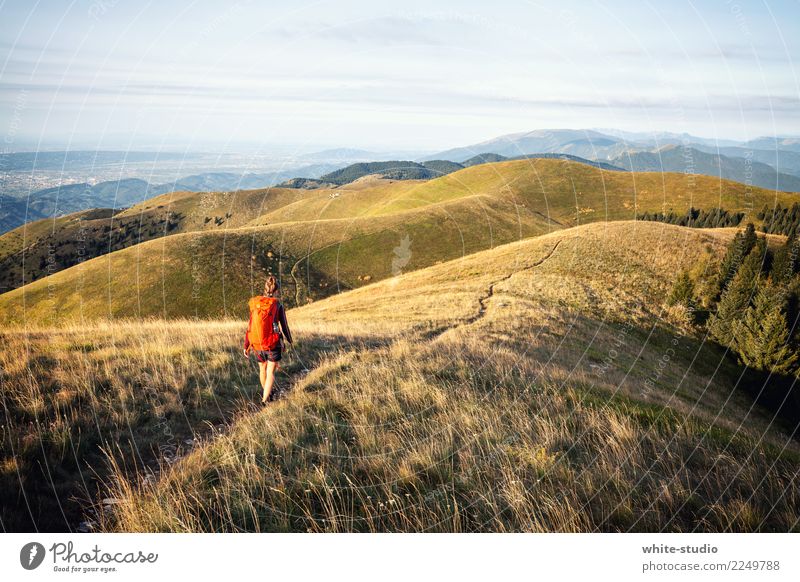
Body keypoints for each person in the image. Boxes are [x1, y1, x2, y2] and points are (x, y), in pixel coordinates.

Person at [243, 275, 293, 404]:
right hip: (272, 343)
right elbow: (284, 325)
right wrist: (289, 340)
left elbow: (250, 324)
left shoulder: (255, 303)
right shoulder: (277, 305)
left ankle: (267, 393)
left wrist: (246, 345)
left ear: (265, 289)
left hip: (256, 343)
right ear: (277, 291)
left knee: (262, 369)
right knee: (270, 371)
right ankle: (265, 400)